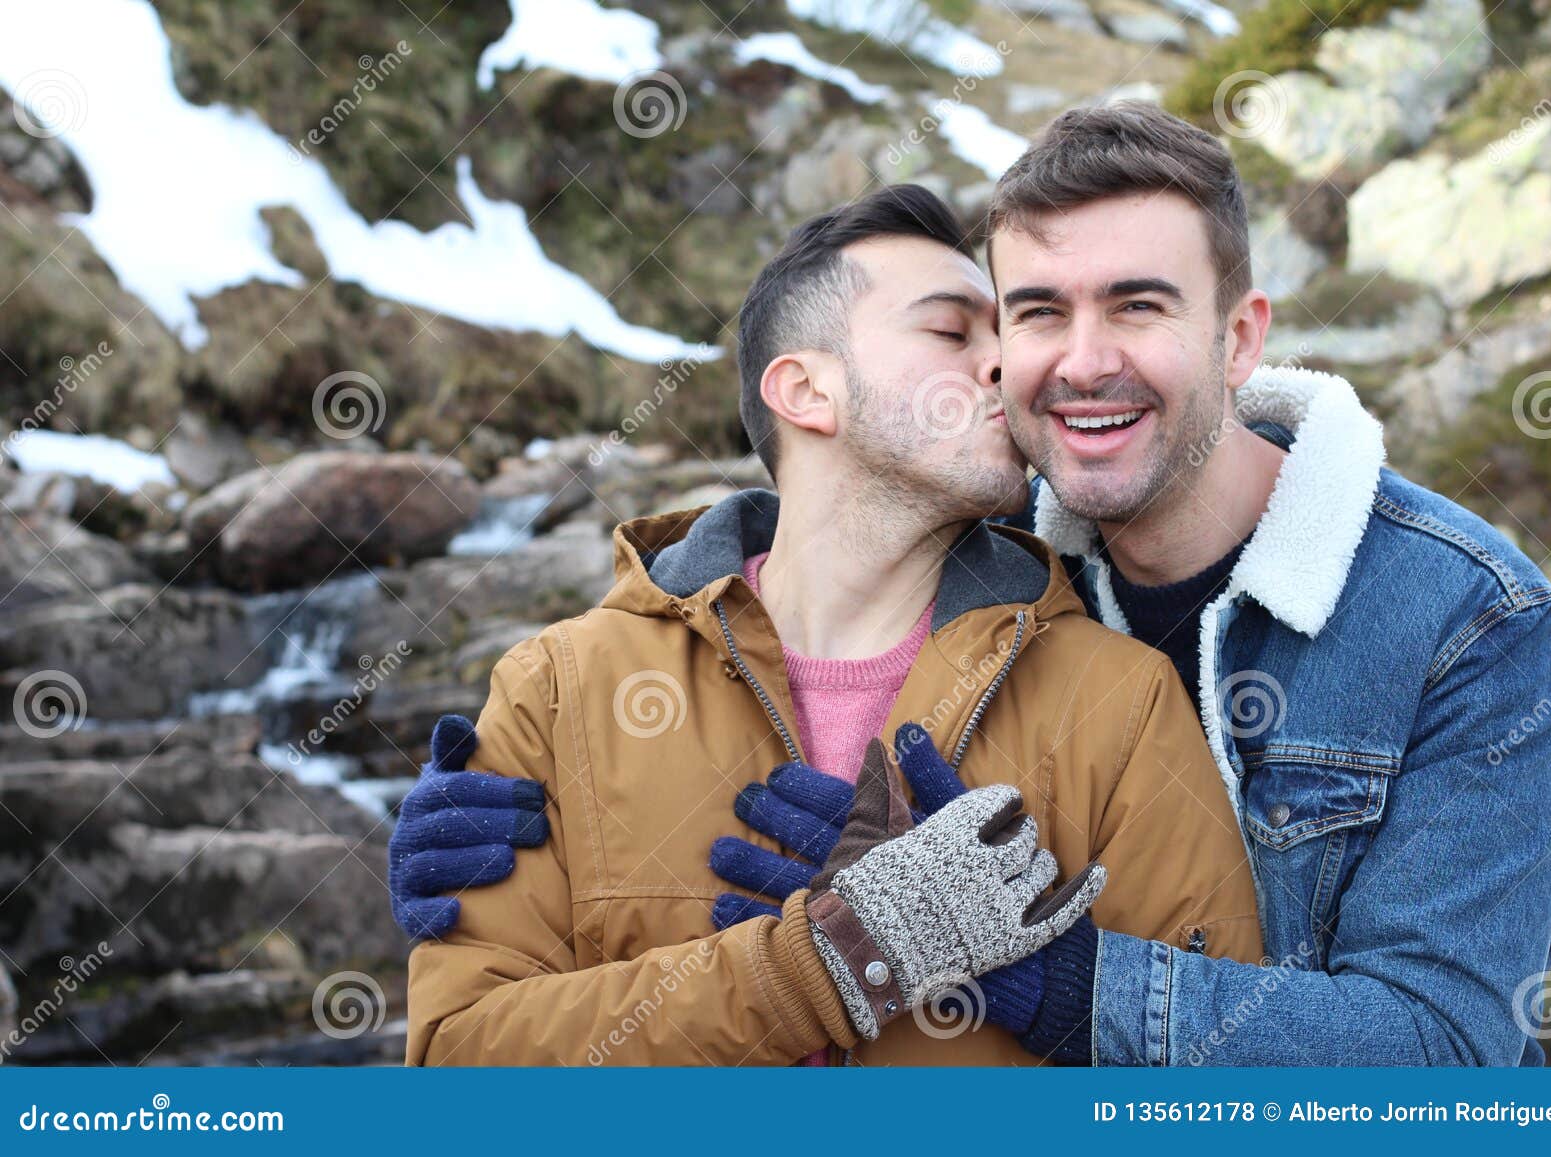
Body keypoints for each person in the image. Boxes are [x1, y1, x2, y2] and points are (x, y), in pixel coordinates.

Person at [399, 186, 1263, 1067]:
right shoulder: (560, 687)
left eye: (1002, 329)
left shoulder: (1114, 696)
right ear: (807, 390)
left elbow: (1219, 1082)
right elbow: (460, 1068)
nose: (1008, 362)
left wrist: (1046, 989)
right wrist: (824, 965)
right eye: (950, 331)